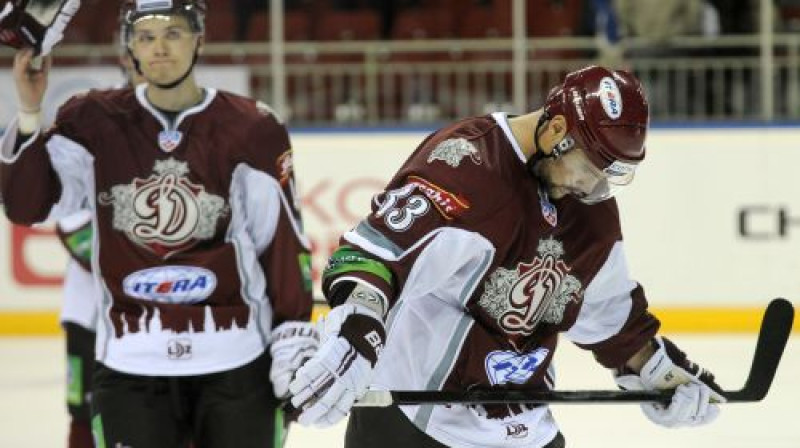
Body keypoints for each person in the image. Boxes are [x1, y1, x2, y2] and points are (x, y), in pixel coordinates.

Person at [288, 66, 725, 448]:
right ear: (556, 132)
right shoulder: (465, 165)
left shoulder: (588, 207)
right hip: (414, 423)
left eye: (608, 176)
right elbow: (371, 255)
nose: (593, 188)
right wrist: (356, 331)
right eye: (590, 169)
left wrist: (659, 371)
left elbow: (608, 313)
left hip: (524, 428)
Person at [1, 1, 318, 447]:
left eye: (173, 33)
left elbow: (281, 243)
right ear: (129, 47)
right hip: (132, 368)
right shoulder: (92, 121)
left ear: (200, 40)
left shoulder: (251, 128)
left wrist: (293, 336)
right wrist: (30, 111)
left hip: (236, 365)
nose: (160, 48)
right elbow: (27, 206)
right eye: (146, 37)